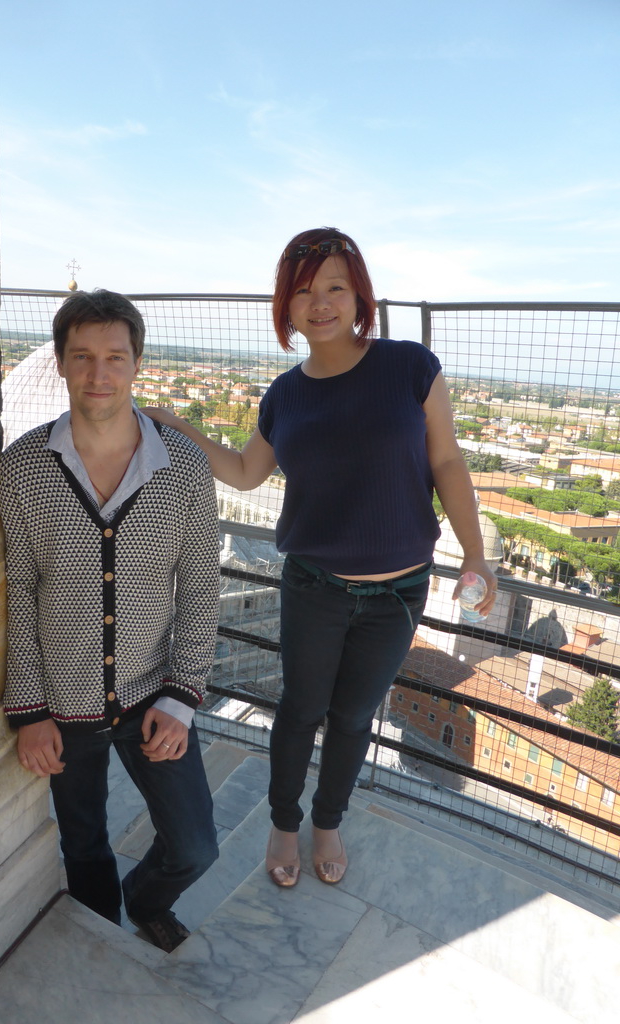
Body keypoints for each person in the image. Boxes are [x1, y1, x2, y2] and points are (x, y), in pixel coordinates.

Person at [145, 228, 497, 888]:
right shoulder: (284, 394)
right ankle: (284, 821)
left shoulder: (411, 366)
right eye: (304, 290)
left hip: (398, 593)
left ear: (358, 294)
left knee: (355, 716)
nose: (322, 302)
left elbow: (447, 461)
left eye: (336, 286)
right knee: (301, 710)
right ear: (286, 306)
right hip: (314, 585)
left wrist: (476, 552)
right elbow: (248, 473)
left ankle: (326, 822)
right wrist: (180, 427)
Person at [0, 288, 220, 951]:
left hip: (154, 694)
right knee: (84, 843)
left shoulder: (185, 469)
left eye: (115, 357)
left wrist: (182, 699)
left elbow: (203, 586)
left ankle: (145, 899)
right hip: (63, 707)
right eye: (83, 357)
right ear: (62, 364)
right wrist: (29, 709)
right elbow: (18, 587)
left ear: (137, 364)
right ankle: (102, 941)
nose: (100, 374)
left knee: (195, 845)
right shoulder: (22, 469)